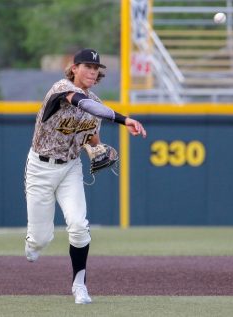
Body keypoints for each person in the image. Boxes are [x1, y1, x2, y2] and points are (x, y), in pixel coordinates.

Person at [24, 48, 146, 304]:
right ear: (74, 68)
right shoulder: (61, 88)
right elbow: (82, 102)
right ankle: (33, 243)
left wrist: (95, 149)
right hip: (41, 168)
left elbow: (90, 134)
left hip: (70, 167)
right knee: (40, 240)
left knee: (79, 227)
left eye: (96, 68)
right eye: (87, 66)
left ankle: (79, 286)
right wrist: (125, 120)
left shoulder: (96, 105)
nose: (92, 71)